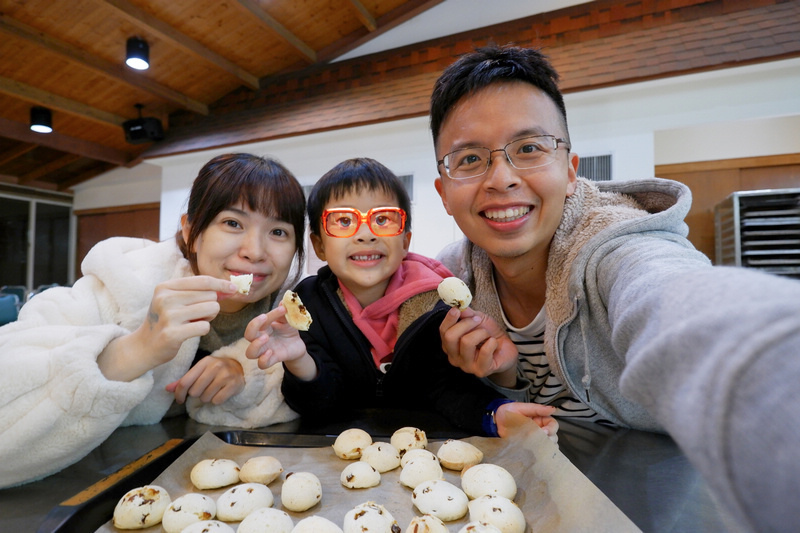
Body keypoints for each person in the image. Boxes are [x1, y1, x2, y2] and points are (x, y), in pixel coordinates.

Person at [430, 45, 800, 532]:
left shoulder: (618, 248)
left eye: (529, 148)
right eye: (471, 158)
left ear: (569, 167)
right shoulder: (452, 278)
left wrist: (767, 365)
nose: (502, 179)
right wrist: (503, 379)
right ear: (443, 191)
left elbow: (673, 299)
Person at [0, 153, 305, 488]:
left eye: (278, 231)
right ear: (191, 231)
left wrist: (243, 371)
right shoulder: (123, 286)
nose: (255, 251)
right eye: (232, 223)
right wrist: (136, 350)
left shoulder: (289, 318)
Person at [245, 157, 558, 438]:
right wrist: (300, 360)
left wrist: (493, 414)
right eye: (343, 221)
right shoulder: (307, 304)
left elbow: (448, 390)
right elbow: (321, 404)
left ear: (405, 240)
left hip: (426, 451)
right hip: (340, 452)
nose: (366, 234)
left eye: (383, 219)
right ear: (319, 245)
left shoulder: (437, 306)